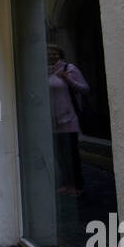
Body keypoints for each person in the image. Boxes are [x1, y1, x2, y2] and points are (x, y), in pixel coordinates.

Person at [48, 45, 90, 196]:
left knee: (71, 154)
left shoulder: (69, 68)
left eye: (54, 53)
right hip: (53, 121)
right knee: (60, 156)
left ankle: (77, 185)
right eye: (49, 54)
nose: (51, 56)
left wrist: (68, 79)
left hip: (68, 119)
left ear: (60, 54)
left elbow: (85, 88)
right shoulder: (45, 72)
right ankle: (66, 183)